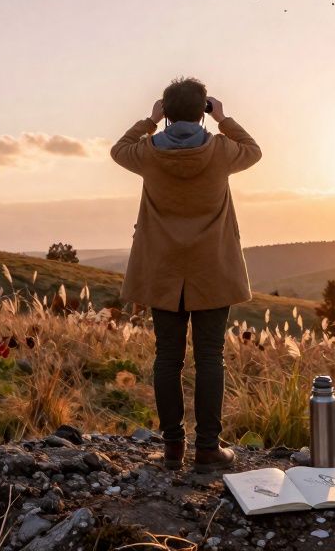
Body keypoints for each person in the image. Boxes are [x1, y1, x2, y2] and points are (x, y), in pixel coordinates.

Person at [110, 77, 262, 471]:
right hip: (212, 269)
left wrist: (148, 121)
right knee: (210, 357)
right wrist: (224, 119)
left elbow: (117, 150)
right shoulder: (223, 150)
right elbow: (254, 151)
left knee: (168, 358)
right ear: (203, 111)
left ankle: (173, 448)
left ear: (165, 111)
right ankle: (208, 449)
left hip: (163, 271)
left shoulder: (146, 153)